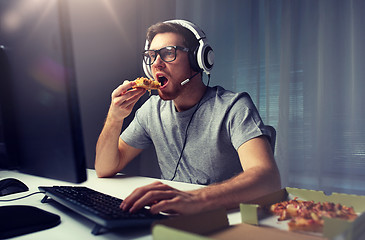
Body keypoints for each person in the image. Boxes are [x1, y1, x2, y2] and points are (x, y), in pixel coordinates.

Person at [95, 19, 281, 215]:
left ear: (197, 59)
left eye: (168, 53)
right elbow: (105, 168)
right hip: (170, 216)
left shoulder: (233, 107)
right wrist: (115, 118)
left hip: (223, 218)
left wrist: (196, 198)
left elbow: (268, 178)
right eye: (151, 56)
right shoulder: (152, 110)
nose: (156, 64)